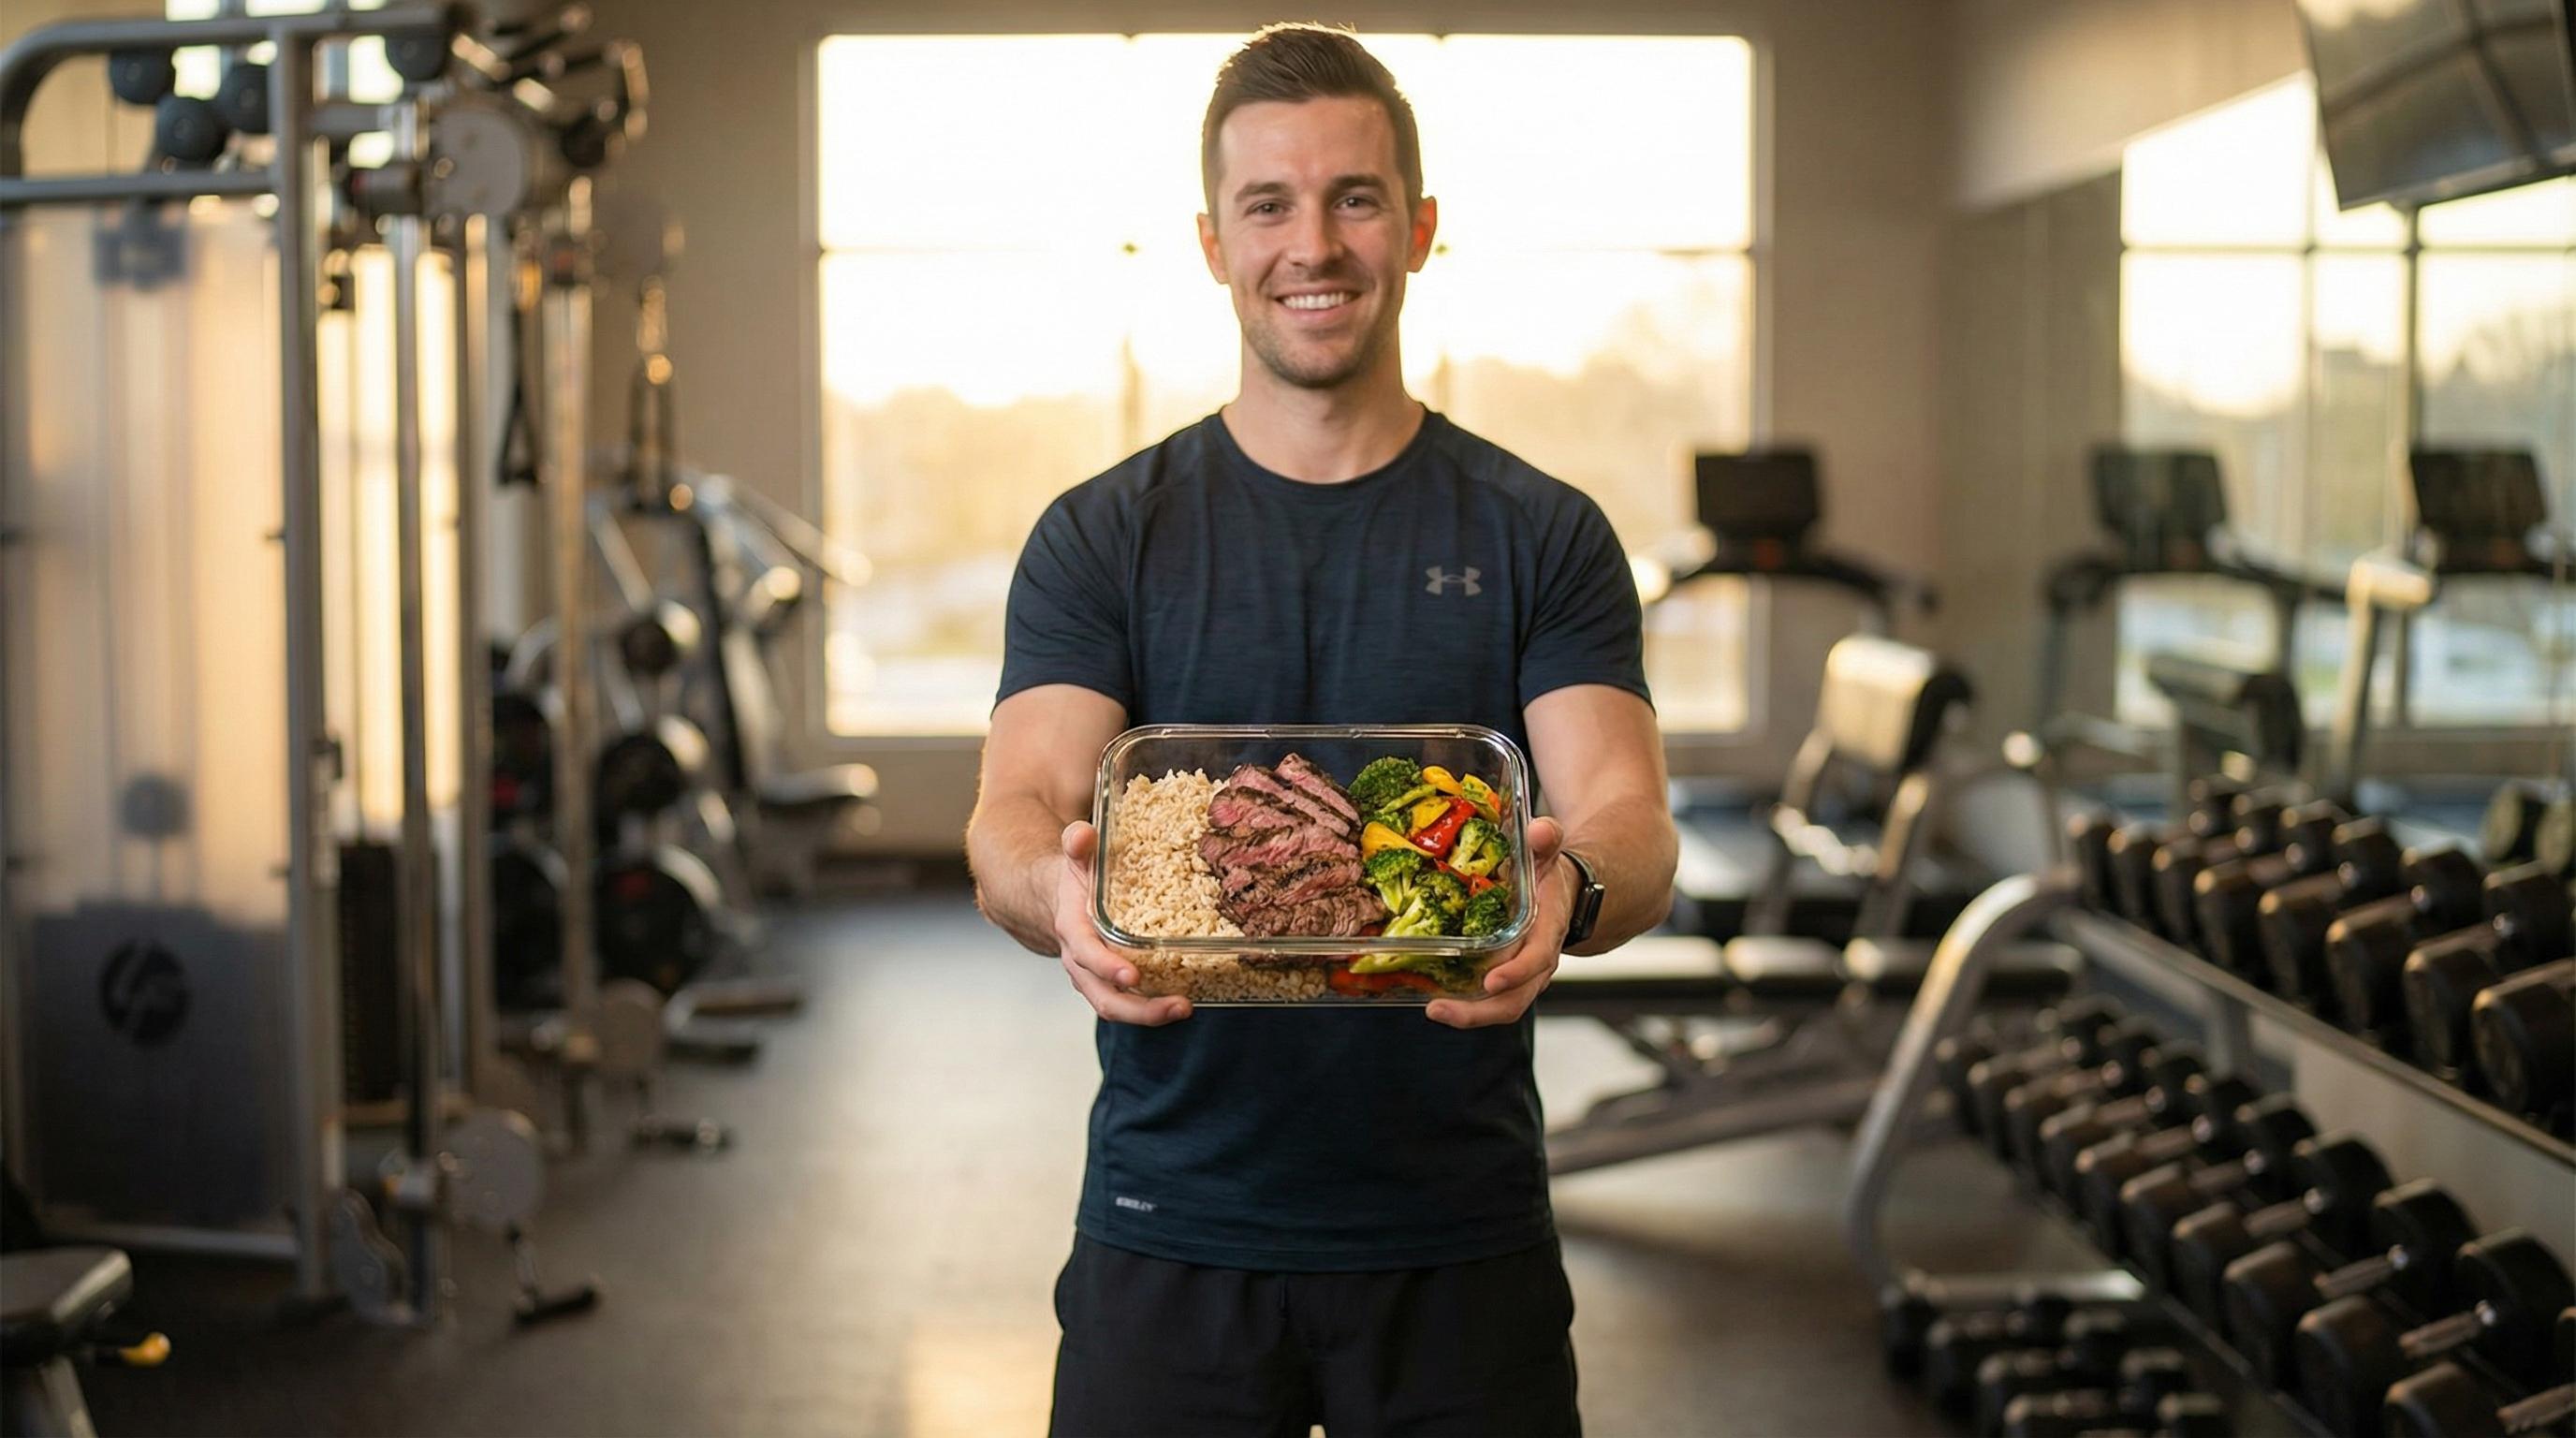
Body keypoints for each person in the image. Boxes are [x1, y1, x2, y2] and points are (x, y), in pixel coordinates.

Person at [963, 22, 1677, 1437]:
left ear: (1417, 229)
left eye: (1355, 199)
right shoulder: (1104, 537)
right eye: (1268, 206)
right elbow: (1017, 807)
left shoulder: (1542, 533)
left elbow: (1627, 822)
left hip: (1459, 1233)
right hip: (1172, 1222)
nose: (1315, 245)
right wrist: (1060, 889)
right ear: (1214, 243)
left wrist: (1565, 890)